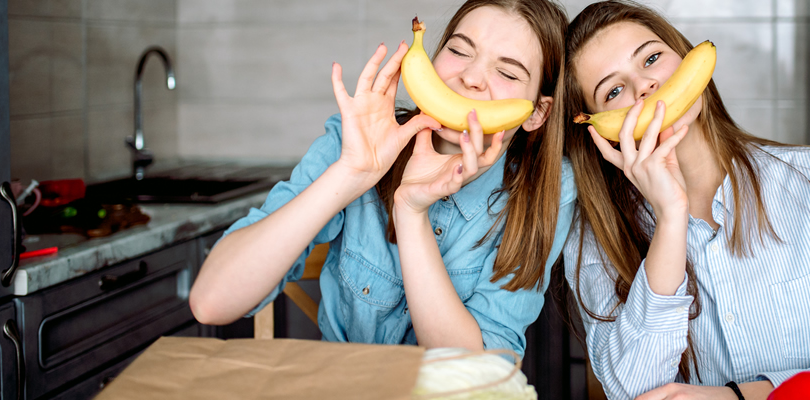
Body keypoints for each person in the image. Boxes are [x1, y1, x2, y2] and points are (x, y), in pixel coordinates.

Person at [560, 1, 810, 399]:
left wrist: (737, 397)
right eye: (614, 90)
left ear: (686, 59)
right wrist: (671, 218)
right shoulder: (594, 235)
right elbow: (630, 389)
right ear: (599, 130)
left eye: (651, 58)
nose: (644, 87)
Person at [189, 0, 574, 355]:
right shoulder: (357, 139)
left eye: (506, 72)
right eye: (458, 50)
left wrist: (410, 212)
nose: (471, 77)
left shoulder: (550, 188)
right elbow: (211, 302)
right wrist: (352, 172)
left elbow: (474, 369)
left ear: (537, 113)